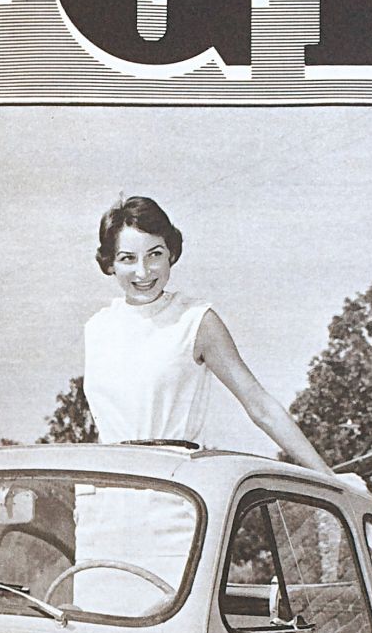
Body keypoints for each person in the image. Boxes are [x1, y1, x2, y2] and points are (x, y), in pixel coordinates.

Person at [83, 195, 335, 473]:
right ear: (110, 264)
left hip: (172, 484)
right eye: (128, 258)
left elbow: (260, 406)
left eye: (155, 254)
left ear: (171, 254)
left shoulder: (196, 320)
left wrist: (329, 477)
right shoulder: (97, 328)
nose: (143, 271)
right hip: (108, 487)